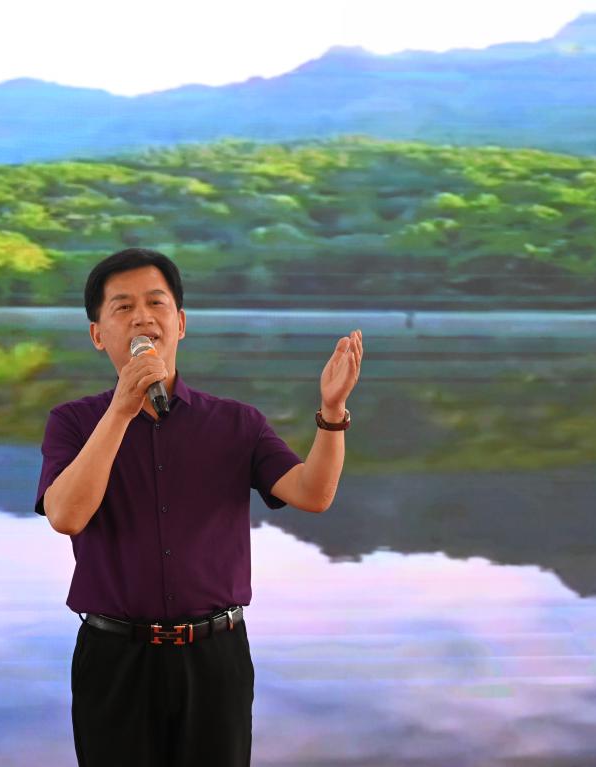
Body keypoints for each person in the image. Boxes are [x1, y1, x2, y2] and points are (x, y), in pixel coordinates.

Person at [34, 247, 363, 766]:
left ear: (181, 323)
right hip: (115, 659)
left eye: (155, 303)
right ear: (98, 334)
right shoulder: (73, 422)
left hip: (215, 657)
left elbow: (313, 493)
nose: (142, 317)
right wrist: (121, 410)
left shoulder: (237, 423)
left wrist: (332, 410)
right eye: (123, 307)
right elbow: (66, 515)